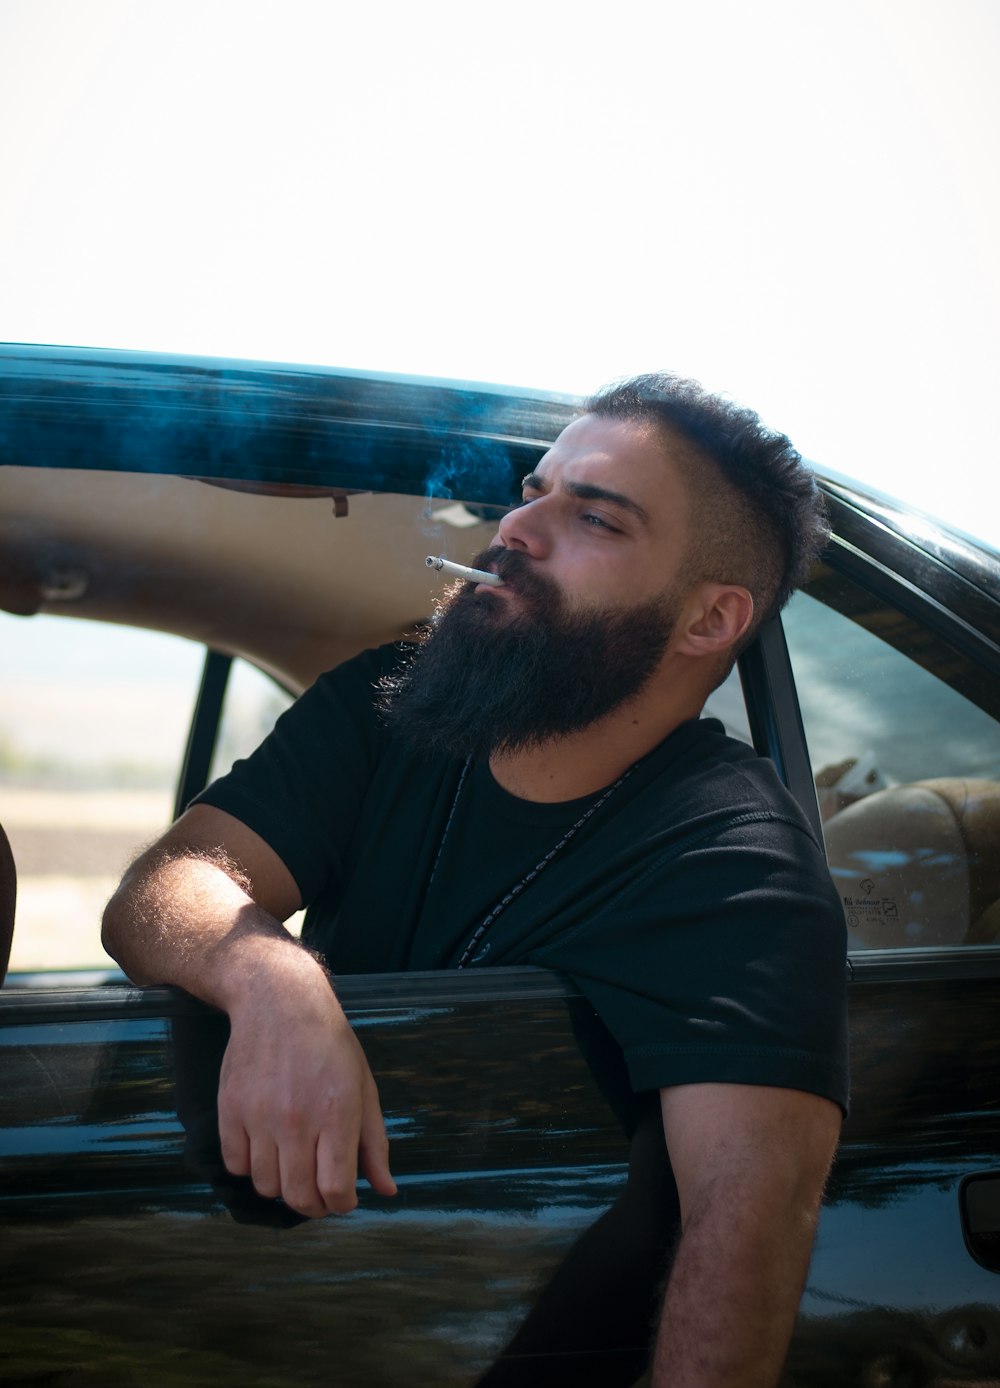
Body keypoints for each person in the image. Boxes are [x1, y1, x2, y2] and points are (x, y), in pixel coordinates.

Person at [102, 372, 848, 1388]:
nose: (518, 527)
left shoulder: (730, 860)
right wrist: (270, 978)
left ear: (708, 619)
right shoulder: (386, 701)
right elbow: (164, 886)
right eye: (534, 488)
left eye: (594, 516)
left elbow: (743, 1228)